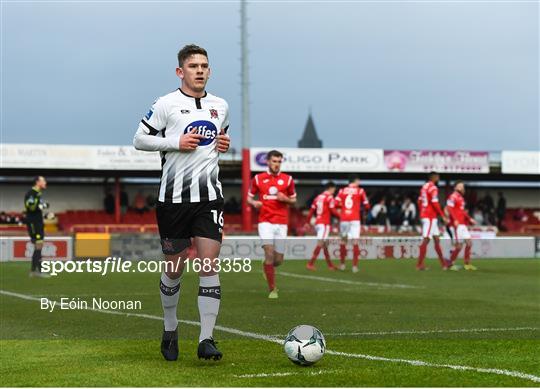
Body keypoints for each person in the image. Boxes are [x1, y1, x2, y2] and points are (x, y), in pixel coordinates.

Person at [133, 44, 231, 362]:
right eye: (193, 66)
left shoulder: (221, 105)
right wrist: (174, 141)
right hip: (173, 201)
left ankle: (206, 339)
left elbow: (219, 139)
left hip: (209, 199)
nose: (199, 70)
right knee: (174, 270)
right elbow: (140, 139)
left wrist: (224, 144)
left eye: (204, 65)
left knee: (208, 264)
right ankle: (170, 327)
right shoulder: (166, 104)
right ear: (180, 71)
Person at [247, 150, 296, 299]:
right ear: (268, 161)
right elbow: (249, 198)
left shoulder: (287, 179)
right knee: (269, 252)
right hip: (265, 221)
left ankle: (267, 266)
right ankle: (272, 289)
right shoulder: (258, 178)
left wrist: (285, 199)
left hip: (281, 222)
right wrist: (255, 202)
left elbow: (293, 200)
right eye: (274, 161)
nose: (277, 164)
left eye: (279, 162)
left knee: (278, 260)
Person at [334, 176, 370, 273]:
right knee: (355, 242)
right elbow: (367, 205)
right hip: (355, 219)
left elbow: (335, 203)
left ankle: (342, 265)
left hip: (344, 218)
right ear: (355, 181)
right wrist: (359, 207)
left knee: (343, 241)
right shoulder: (360, 191)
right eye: (359, 180)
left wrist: (344, 207)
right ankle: (354, 266)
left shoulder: (342, 191)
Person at [416, 171, 450, 271]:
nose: (438, 178)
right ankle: (419, 265)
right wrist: (443, 215)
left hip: (427, 215)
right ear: (434, 177)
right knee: (426, 239)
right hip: (430, 216)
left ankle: (444, 264)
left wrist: (422, 211)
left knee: (436, 239)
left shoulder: (424, 187)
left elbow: (419, 201)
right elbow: (435, 202)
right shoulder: (433, 187)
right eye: (437, 176)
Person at [305, 181, 338, 271]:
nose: (334, 191)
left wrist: (307, 222)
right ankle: (310, 263)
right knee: (321, 243)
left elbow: (311, 211)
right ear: (330, 188)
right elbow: (333, 210)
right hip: (324, 223)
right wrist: (341, 217)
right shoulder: (329, 197)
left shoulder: (318, 198)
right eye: (334, 189)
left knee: (324, 244)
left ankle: (330, 265)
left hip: (318, 222)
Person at [445, 181, 477, 271]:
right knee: (459, 246)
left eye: (463, 186)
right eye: (460, 186)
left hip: (462, 224)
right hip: (456, 225)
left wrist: (470, 219)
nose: (462, 188)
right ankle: (450, 264)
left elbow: (462, 211)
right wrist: (454, 219)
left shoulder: (461, 198)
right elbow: (449, 208)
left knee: (469, 243)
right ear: (455, 188)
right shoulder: (453, 196)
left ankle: (467, 264)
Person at [24, 176, 50, 277]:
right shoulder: (31, 193)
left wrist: (43, 206)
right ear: (37, 182)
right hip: (33, 223)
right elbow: (31, 206)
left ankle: (37, 271)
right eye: (43, 180)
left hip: (38, 222)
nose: (45, 182)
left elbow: (43, 205)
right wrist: (41, 205)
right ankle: (35, 271)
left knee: (39, 245)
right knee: (38, 245)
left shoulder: (38, 194)